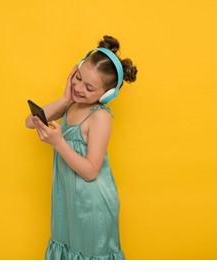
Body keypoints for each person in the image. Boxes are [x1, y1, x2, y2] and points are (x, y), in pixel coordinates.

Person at [25, 35, 138, 260]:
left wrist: (59, 142)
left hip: (92, 205)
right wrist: (65, 99)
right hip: (68, 202)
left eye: (89, 88)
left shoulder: (100, 118)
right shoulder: (72, 104)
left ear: (107, 95)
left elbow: (90, 171)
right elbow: (30, 122)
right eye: (78, 78)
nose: (79, 88)